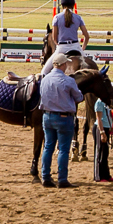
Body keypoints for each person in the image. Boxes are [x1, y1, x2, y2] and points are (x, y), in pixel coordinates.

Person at [38, 52, 82, 186]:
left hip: (47, 115)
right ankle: (62, 179)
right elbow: (79, 97)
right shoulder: (68, 80)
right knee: (63, 149)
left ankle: (45, 176)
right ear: (63, 64)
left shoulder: (45, 79)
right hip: (64, 118)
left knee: (48, 147)